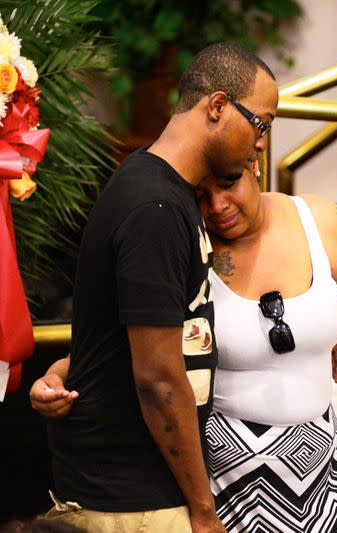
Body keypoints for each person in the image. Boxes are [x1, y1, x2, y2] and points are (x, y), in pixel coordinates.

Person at [32, 45, 337, 532]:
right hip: (210, 485)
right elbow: (150, 349)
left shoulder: (321, 224)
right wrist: (64, 369)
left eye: (229, 182)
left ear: (255, 168)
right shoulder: (176, 230)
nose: (215, 205)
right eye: (201, 194)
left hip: (315, 477)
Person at [34, 42, 279, 533]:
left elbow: (120, 333)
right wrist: (203, 509)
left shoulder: (163, 191)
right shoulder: (155, 208)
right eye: (262, 124)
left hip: (135, 489)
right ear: (217, 107)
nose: (260, 144)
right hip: (131, 499)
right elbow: (158, 379)